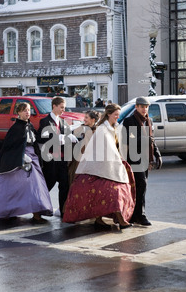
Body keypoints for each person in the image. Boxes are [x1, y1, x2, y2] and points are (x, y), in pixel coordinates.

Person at [63, 104, 135, 229]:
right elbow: (106, 150)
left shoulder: (110, 128)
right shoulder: (102, 129)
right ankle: (119, 220)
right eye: (116, 115)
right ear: (109, 114)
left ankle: (104, 218)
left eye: (118, 115)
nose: (118, 117)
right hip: (98, 168)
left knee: (107, 194)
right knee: (113, 194)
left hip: (106, 167)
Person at [0, 102, 53, 224]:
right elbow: (8, 147)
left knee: (36, 186)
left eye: (29, 110)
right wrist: (22, 156)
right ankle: (6, 211)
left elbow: (36, 140)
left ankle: (37, 214)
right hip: (18, 161)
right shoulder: (15, 128)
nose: (27, 112)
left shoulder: (29, 126)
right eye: (25, 110)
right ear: (19, 112)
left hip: (33, 158)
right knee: (10, 187)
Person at [121, 96, 162, 226]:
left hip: (145, 159)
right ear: (136, 107)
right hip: (134, 158)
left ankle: (134, 214)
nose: (144, 109)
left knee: (141, 188)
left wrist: (157, 154)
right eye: (142, 106)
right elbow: (129, 141)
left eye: (146, 107)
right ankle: (140, 215)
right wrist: (145, 140)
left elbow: (152, 139)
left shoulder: (148, 121)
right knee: (141, 185)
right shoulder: (129, 121)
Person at [37, 96, 77, 217]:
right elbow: (40, 138)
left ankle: (63, 210)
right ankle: (38, 209)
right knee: (48, 184)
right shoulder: (44, 121)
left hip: (62, 159)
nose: (63, 110)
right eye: (61, 107)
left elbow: (67, 137)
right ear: (54, 106)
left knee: (64, 185)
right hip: (51, 159)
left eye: (64, 108)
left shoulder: (63, 122)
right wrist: (56, 138)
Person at [67, 110, 100, 186]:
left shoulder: (97, 130)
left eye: (86, 117)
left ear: (93, 120)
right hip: (78, 160)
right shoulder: (82, 127)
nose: (84, 119)